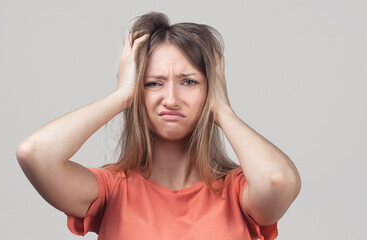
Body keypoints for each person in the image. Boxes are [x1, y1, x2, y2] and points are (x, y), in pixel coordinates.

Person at [16, 12, 301, 240]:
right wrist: (123, 96)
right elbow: (34, 153)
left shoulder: (239, 192)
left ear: (210, 90)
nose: (172, 99)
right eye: (153, 83)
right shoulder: (111, 190)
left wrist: (222, 108)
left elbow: (280, 180)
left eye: (189, 81)